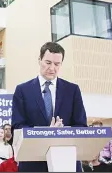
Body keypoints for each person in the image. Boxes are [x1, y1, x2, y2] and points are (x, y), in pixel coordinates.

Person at [11, 42, 87, 172]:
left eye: (57, 64)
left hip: (66, 161)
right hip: (33, 163)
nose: (52, 68)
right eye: (48, 62)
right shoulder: (22, 90)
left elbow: (81, 126)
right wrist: (46, 132)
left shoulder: (72, 90)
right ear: (39, 60)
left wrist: (61, 132)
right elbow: (17, 127)